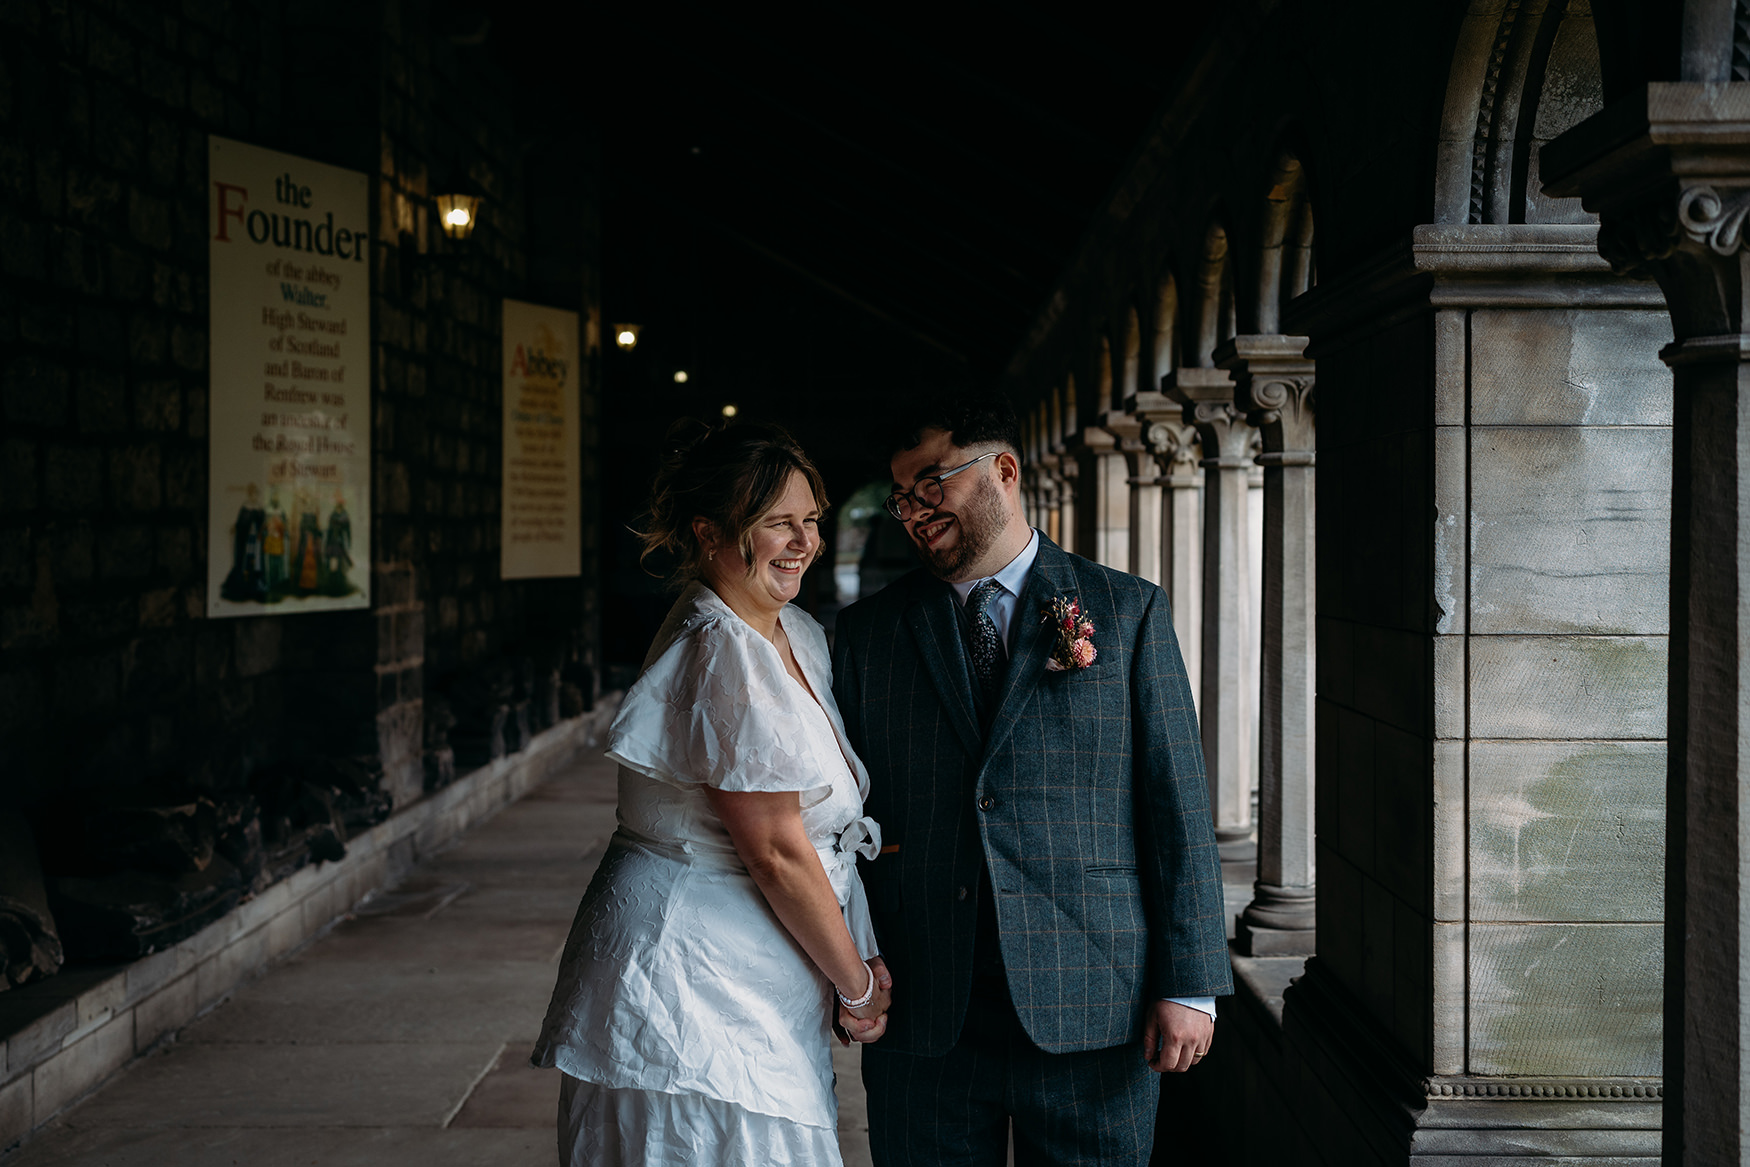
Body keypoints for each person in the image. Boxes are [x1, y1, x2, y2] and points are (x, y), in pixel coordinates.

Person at [831, 389, 1233, 1166]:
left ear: (1004, 470)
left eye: (931, 484)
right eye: (901, 497)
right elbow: (839, 819)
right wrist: (846, 964)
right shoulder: (867, 634)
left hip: (1094, 1002)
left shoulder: (1125, 611)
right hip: (925, 1007)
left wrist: (1191, 983)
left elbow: (1175, 803)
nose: (914, 510)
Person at [532, 423, 893, 1167]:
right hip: (694, 989)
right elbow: (776, 851)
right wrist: (856, 986)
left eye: (812, 520)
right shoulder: (722, 647)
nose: (803, 541)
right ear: (709, 531)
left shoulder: (788, 628)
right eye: (777, 524)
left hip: (748, 975)